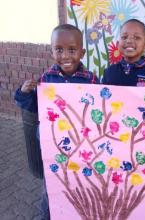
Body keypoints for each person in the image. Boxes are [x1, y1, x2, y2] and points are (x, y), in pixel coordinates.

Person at [14, 24, 99, 220]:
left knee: (79, 181)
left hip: (80, 145)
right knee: (51, 186)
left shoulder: (92, 80)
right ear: (52, 51)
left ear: (82, 52)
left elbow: (98, 112)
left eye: (72, 49)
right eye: (59, 49)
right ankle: (47, 215)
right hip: (53, 145)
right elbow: (34, 106)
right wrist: (24, 92)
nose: (66, 56)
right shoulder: (46, 79)